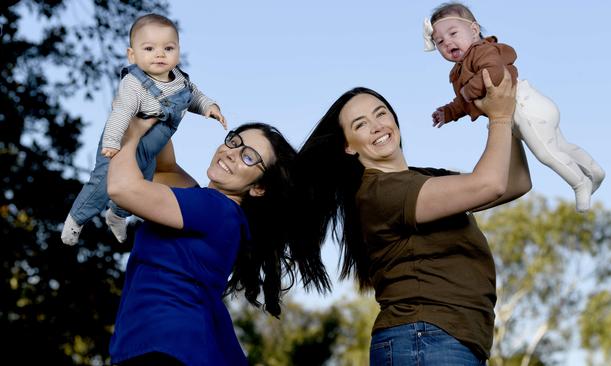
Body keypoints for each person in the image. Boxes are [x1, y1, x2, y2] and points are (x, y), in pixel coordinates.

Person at [292, 69, 531, 365]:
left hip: (442, 340)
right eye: (361, 124)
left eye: (381, 114)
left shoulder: (421, 179)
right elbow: (489, 184)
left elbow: (514, 182)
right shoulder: (381, 192)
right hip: (425, 339)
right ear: (348, 146)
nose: (377, 126)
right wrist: (500, 116)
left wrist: (506, 116)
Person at [106, 117, 330, 366]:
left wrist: (130, 129)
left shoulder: (216, 209)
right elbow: (164, 168)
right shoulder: (212, 208)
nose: (231, 153)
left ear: (258, 188)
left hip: (166, 348)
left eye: (248, 157)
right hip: (167, 347)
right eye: (234, 142)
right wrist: (156, 112)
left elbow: (121, 189)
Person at [422, 2, 604, 212]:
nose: (447, 43)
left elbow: (494, 73)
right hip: (524, 110)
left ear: (474, 30)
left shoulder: (483, 51)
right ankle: (595, 171)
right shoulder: (462, 69)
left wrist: (466, 92)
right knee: (561, 147)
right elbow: (466, 102)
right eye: (440, 42)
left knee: (546, 153)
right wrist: (448, 112)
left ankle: (580, 183)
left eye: (453, 33)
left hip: (524, 108)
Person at [61, 13, 226, 245]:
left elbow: (194, 97)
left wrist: (209, 107)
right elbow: (120, 112)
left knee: (142, 183)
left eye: (168, 48)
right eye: (149, 48)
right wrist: (111, 142)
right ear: (132, 54)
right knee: (102, 182)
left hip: (151, 147)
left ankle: (117, 216)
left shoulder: (180, 80)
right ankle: (76, 219)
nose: (160, 54)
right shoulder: (134, 83)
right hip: (123, 140)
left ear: (178, 51)